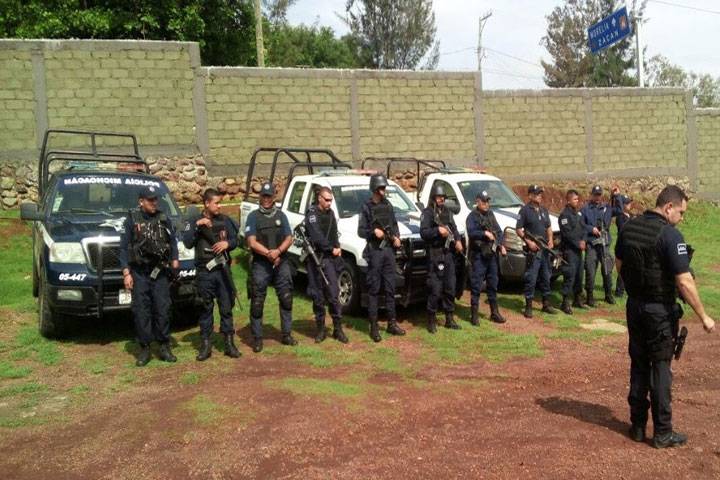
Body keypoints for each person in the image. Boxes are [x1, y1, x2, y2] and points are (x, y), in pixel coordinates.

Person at [616, 185, 715, 448]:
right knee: (660, 368)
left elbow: (620, 265)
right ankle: (662, 432)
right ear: (669, 207)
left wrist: (637, 288)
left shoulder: (629, 227)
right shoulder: (670, 235)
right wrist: (704, 316)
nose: (681, 218)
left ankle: (637, 426)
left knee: (639, 364)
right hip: (659, 311)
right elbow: (684, 281)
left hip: (635, 307)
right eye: (681, 212)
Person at [119, 185, 179, 367]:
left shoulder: (163, 218)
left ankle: (164, 345)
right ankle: (144, 348)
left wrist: (175, 261)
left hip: (160, 272)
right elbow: (123, 248)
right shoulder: (131, 220)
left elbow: (173, 241)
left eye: (155, 199)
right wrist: (126, 273)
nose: (154, 203)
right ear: (141, 201)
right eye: (150, 200)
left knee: (162, 309)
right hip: (140, 273)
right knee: (141, 311)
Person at [183, 188, 241, 361]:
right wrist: (197, 226)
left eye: (220, 203)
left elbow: (236, 240)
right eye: (216, 203)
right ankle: (206, 345)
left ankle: (229, 343)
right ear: (207, 203)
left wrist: (227, 244)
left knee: (226, 307)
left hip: (222, 271)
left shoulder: (225, 220)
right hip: (205, 273)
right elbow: (187, 242)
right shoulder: (195, 221)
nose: (219, 206)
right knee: (205, 308)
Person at [245, 182, 297, 353]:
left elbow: (289, 238)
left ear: (274, 197)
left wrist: (278, 251)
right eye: (264, 196)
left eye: (269, 196)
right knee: (257, 301)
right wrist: (269, 253)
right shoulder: (253, 216)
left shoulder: (281, 216)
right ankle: (258, 338)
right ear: (260, 197)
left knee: (286, 298)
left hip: (281, 261)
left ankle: (286, 334)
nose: (266, 199)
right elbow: (251, 242)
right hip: (261, 263)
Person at [357, 174, 406, 342]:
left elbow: (394, 225)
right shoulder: (366, 207)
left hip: (388, 251)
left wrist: (397, 237)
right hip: (375, 251)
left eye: (384, 187)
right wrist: (373, 232)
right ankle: (373, 326)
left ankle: (392, 323)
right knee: (374, 289)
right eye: (381, 187)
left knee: (391, 288)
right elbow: (361, 231)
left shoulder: (388, 205)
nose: (384, 190)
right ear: (375, 188)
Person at [304, 187, 348, 344]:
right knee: (318, 296)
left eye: (331, 200)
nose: (329, 203)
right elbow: (316, 237)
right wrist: (331, 249)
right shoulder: (312, 215)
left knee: (334, 294)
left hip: (329, 259)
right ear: (319, 198)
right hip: (315, 258)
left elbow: (334, 233)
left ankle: (337, 329)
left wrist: (337, 248)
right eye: (327, 200)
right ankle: (321, 329)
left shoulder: (331, 214)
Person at [420, 184, 463, 333]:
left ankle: (449, 318)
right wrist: (437, 230)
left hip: (448, 253)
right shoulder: (428, 213)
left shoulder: (447, 212)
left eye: (443, 197)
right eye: (439, 197)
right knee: (435, 288)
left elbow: (454, 228)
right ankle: (431, 320)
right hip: (435, 253)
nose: (441, 199)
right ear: (433, 197)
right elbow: (424, 233)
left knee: (450, 286)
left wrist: (458, 240)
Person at [465, 190, 506, 324]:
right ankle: (474, 315)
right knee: (476, 285)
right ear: (477, 202)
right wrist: (484, 234)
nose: (486, 204)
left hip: (491, 255)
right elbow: (471, 232)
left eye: (487, 201)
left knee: (493, 284)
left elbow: (499, 232)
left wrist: (500, 244)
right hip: (478, 255)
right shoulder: (472, 216)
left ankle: (494, 313)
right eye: (483, 201)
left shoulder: (490, 214)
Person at [516, 185, 557, 318]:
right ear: (530, 196)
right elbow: (519, 230)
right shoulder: (524, 211)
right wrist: (529, 242)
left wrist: (550, 240)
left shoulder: (544, 210)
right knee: (531, 278)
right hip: (533, 252)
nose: (539, 196)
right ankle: (528, 306)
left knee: (546, 277)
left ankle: (546, 304)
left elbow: (549, 227)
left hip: (545, 250)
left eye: (540, 194)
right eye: (537, 194)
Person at [581, 185, 617, 306]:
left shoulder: (607, 208)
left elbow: (619, 210)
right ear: (591, 195)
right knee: (590, 270)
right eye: (595, 195)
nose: (597, 197)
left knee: (607, 270)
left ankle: (608, 294)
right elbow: (581, 224)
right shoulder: (585, 209)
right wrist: (591, 229)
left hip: (604, 244)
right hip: (592, 244)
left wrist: (617, 196)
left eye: (599, 195)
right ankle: (590, 296)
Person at [558, 189, 587, 315]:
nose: (577, 201)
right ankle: (564, 302)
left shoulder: (578, 214)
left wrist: (584, 240)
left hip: (579, 251)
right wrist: (578, 243)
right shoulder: (564, 216)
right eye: (575, 199)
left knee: (579, 276)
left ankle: (577, 299)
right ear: (568, 200)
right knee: (570, 275)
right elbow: (567, 234)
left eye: (577, 199)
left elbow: (584, 229)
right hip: (569, 250)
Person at [611, 187, 633, 298]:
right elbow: (624, 229)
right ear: (623, 205)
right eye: (628, 203)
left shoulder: (630, 216)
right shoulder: (620, 217)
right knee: (623, 268)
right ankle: (619, 291)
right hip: (623, 245)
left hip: (631, 245)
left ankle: (628, 289)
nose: (630, 205)